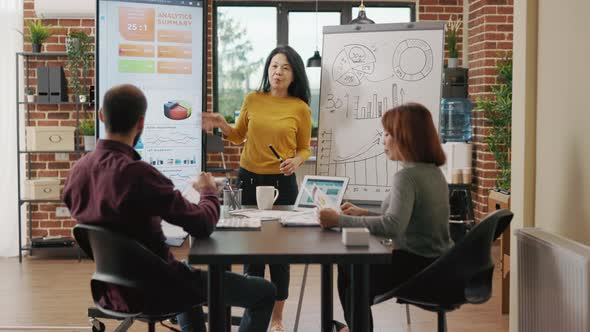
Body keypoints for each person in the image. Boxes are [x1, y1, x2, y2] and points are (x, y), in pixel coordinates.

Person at [63, 84, 276, 332]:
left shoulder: (77, 172)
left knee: (184, 274)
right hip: (158, 290)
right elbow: (203, 225)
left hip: (111, 288)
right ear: (141, 123)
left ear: (101, 115)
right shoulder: (140, 174)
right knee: (265, 292)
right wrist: (207, 190)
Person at [202, 45, 312, 332]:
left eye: (285, 68)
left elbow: (304, 148)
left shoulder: (299, 108)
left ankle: (276, 318)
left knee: (279, 255)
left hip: (282, 183)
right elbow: (238, 136)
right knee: (252, 253)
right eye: (274, 65)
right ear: (267, 69)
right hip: (249, 179)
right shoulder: (252, 98)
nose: (278, 72)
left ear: (293, 75)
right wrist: (221, 124)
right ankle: (255, 315)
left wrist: (296, 160)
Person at [318, 103, 454, 332]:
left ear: (405, 137)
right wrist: (364, 213)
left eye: (388, 133)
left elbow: (393, 226)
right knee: (350, 271)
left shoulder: (407, 177)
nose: (383, 140)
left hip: (416, 268)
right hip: (439, 265)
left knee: (351, 271)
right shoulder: (433, 172)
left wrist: (338, 220)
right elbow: (407, 219)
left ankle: (355, 327)